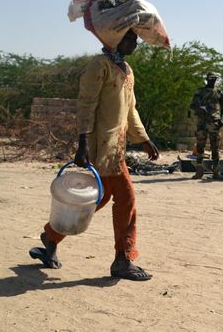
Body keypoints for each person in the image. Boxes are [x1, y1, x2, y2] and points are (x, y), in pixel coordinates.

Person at [29, 30, 160, 281]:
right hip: (100, 145)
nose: (135, 43)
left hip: (116, 147)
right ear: (115, 38)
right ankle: (123, 259)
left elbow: (130, 109)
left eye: (135, 39)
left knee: (96, 200)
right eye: (129, 39)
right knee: (126, 198)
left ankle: (51, 237)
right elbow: (86, 104)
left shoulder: (127, 70)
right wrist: (82, 143)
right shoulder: (99, 65)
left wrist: (143, 139)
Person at [189, 72, 223, 180]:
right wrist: (199, 108)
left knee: (215, 147)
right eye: (211, 79)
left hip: (214, 122)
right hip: (202, 122)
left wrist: (221, 119)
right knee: (200, 147)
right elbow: (192, 105)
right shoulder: (199, 92)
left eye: (214, 79)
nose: (212, 81)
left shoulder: (219, 92)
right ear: (207, 79)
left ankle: (216, 172)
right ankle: (199, 171)